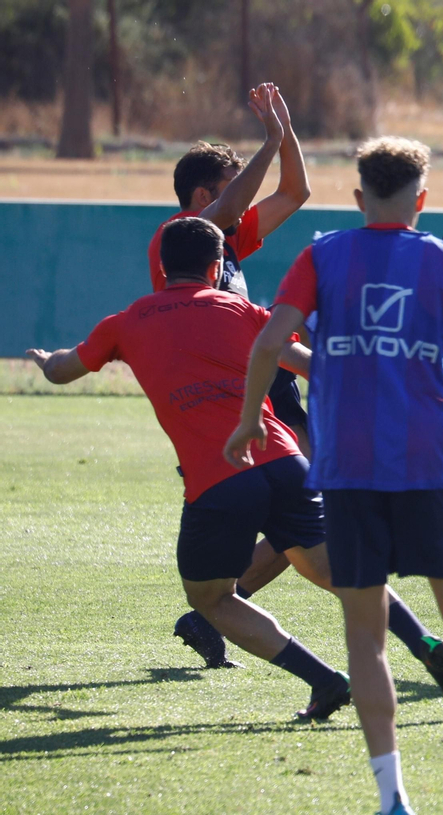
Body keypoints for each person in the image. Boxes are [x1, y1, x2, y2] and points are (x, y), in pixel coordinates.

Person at [24, 218, 443, 721]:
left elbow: (62, 370)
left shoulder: (126, 322)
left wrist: (46, 358)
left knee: (211, 597)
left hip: (220, 477)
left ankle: (326, 680)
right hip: (286, 461)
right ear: (217, 266)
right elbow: (317, 366)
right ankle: (426, 644)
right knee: (340, 572)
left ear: (161, 266)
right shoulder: (245, 310)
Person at [225, 137, 443, 815]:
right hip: (434, 470)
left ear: (358, 198)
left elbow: (270, 342)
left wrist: (246, 424)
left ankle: (392, 798)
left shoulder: (323, 254)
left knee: (365, 634)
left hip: (348, 473)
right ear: (421, 199)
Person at [146, 83, 316, 670]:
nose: (242, 201)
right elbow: (225, 214)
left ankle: (216, 608)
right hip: (233, 396)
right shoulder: (177, 241)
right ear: (202, 196)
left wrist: (285, 130)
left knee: (318, 501)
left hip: (269, 385)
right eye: (228, 190)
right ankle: (217, 605)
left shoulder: (229, 241)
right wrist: (269, 140)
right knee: (314, 506)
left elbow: (297, 191)